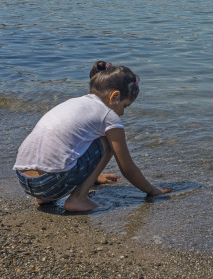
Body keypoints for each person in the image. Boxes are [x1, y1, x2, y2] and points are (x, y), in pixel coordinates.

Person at [14, 61, 172, 212]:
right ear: (114, 96)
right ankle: (78, 198)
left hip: (26, 181)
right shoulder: (108, 116)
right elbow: (127, 169)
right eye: (125, 106)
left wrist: (95, 176)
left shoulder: (75, 102)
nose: (123, 113)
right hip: (52, 183)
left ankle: (45, 197)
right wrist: (152, 190)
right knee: (109, 142)